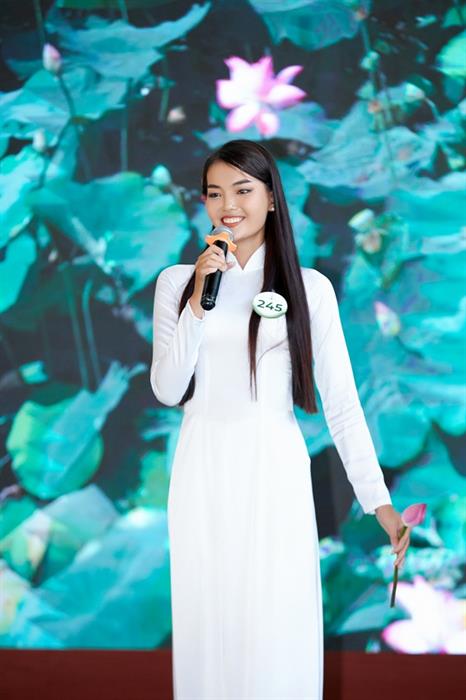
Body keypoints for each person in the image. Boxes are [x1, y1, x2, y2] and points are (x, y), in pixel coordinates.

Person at [150, 139, 410, 700]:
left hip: (274, 470)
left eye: (243, 190)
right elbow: (168, 390)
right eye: (215, 193)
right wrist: (197, 301)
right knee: (207, 622)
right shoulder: (177, 282)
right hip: (201, 470)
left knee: (276, 621)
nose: (228, 205)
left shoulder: (309, 288)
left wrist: (378, 501)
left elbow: (341, 403)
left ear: (271, 199)